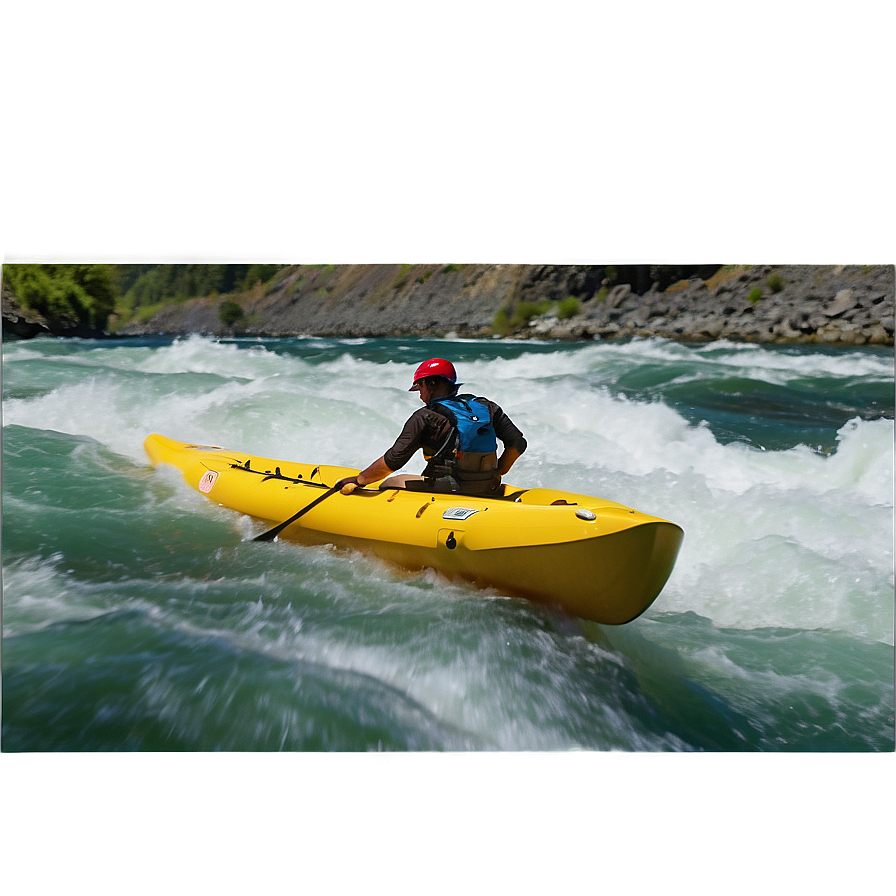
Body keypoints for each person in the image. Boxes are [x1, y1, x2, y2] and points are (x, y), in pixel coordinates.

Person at [335, 358, 527, 496]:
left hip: (450, 489)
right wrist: (498, 471)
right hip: (488, 487)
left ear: (432, 383)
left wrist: (360, 480)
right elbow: (518, 443)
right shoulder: (487, 406)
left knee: (390, 482)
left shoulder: (425, 417)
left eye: (420, 386)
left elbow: (394, 460)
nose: (419, 394)